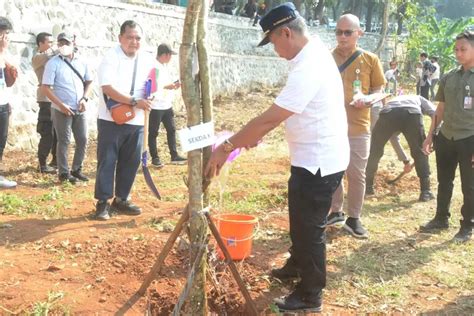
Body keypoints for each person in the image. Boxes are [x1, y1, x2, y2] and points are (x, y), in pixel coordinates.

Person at [206, 3, 349, 312]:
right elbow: (289, 113)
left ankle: (311, 293)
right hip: (311, 157)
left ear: (286, 32)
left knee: (309, 228)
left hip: (319, 162)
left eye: (272, 41)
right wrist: (253, 136)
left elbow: (272, 116)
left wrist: (228, 145)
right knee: (299, 219)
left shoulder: (310, 65)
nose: (274, 49)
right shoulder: (309, 56)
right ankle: (297, 266)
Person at [327, 14, 386, 238]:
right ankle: (335, 211)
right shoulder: (327, 59)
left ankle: (354, 218)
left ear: (359, 33)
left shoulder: (370, 59)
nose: (342, 37)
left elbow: (380, 90)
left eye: (347, 32)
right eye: (338, 32)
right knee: (333, 170)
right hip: (331, 125)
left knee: (356, 173)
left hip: (359, 126)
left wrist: (369, 99)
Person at [94, 20, 154, 221]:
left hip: (136, 121)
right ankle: (102, 203)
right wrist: (134, 101)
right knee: (108, 161)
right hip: (111, 120)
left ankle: (121, 199)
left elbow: (151, 84)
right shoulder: (111, 57)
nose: (134, 41)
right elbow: (107, 88)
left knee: (131, 161)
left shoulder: (146, 60)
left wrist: (149, 96)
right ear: (120, 38)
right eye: (129, 37)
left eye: (138, 38)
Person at [421, 30, 474, 243]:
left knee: (469, 186)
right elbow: (440, 108)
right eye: (456, 49)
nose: (458, 53)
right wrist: (429, 136)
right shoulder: (449, 77)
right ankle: (441, 218)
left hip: (469, 138)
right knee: (444, 180)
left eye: (463, 49)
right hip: (446, 136)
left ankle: (467, 226)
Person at [41, 32, 92, 184]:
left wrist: (85, 98)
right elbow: (46, 88)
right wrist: (60, 105)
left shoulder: (82, 62)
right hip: (61, 109)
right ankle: (64, 173)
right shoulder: (53, 63)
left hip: (79, 107)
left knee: (82, 139)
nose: (63, 46)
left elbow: (89, 82)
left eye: (66, 43)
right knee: (64, 141)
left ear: (73, 44)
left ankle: (76, 169)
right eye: (60, 43)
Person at [365, 95, 436, 201]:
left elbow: (393, 138)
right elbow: (436, 114)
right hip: (411, 113)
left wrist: (405, 161)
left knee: (375, 150)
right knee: (420, 151)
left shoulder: (394, 101)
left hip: (387, 114)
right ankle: (425, 192)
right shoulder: (420, 99)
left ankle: (367, 189)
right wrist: (435, 135)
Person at [148, 43, 186, 168]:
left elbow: (164, 83)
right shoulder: (154, 67)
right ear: (164, 55)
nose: (171, 58)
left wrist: (172, 85)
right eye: (170, 55)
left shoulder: (164, 67)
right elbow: (153, 87)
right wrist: (168, 86)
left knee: (171, 129)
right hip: (156, 106)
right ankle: (155, 158)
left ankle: (174, 155)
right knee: (153, 132)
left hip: (166, 105)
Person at [32, 32, 57, 174]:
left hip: (57, 99)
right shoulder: (37, 57)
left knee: (58, 133)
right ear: (40, 44)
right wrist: (59, 49)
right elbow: (47, 56)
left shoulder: (52, 56)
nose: (52, 45)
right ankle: (42, 164)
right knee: (47, 132)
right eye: (49, 42)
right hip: (45, 99)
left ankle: (56, 161)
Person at [0, 17, 17, 189]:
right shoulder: (1, 52)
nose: (6, 38)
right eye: (4, 34)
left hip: (3, 104)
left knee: (1, 141)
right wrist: (3, 51)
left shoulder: (3, 54)